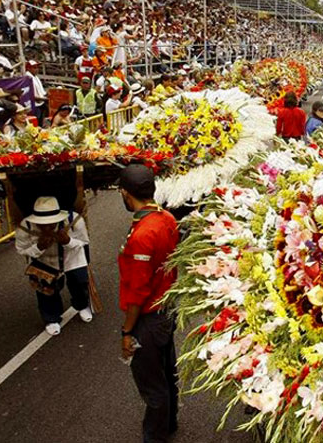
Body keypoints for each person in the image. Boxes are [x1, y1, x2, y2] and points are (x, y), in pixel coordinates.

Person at [118, 165, 180, 443]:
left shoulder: (143, 234)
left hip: (149, 319)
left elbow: (138, 291)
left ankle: (155, 437)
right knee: (166, 373)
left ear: (126, 193)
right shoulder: (166, 217)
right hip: (167, 310)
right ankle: (169, 424)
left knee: (152, 385)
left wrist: (127, 332)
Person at [15, 196, 93, 336]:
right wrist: (39, 247)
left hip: (72, 258)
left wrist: (68, 241)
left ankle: (81, 305)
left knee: (80, 283)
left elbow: (84, 242)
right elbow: (21, 249)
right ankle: (51, 318)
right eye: (42, 224)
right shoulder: (24, 227)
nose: (47, 227)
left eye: (51, 224)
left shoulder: (74, 220)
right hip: (45, 261)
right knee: (45, 290)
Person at [25, 60, 48, 125]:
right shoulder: (27, 78)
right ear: (29, 68)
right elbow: (31, 95)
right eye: (34, 67)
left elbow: (42, 92)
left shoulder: (35, 77)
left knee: (41, 121)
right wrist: (46, 99)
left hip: (40, 102)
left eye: (37, 67)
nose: (37, 69)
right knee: (35, 122)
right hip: (34, 104)